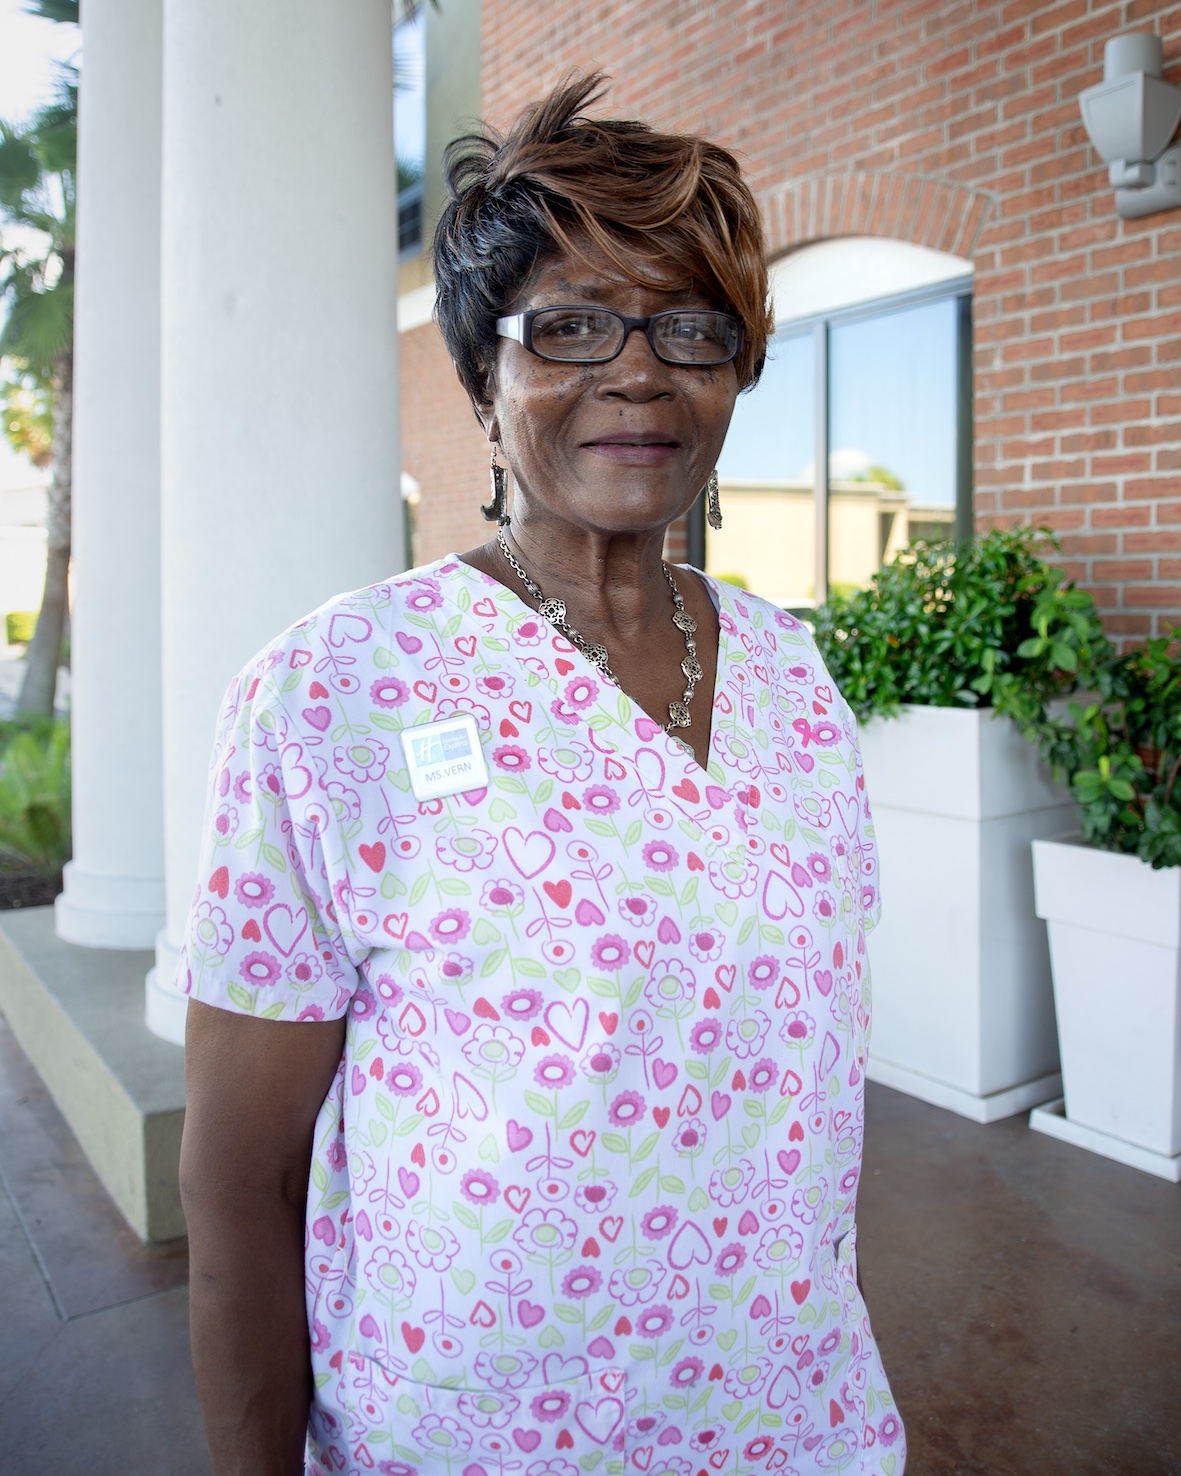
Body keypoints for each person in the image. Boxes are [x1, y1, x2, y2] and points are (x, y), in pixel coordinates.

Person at [179, 74, 905, 1476]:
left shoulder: (793, 675)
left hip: (790, 1421)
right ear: (481, 379)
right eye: (569, 326)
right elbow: (239, 1180)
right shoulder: (335, 690)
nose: (638, 371)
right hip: (471, 1436)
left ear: (734, 374)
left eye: (691, 327)